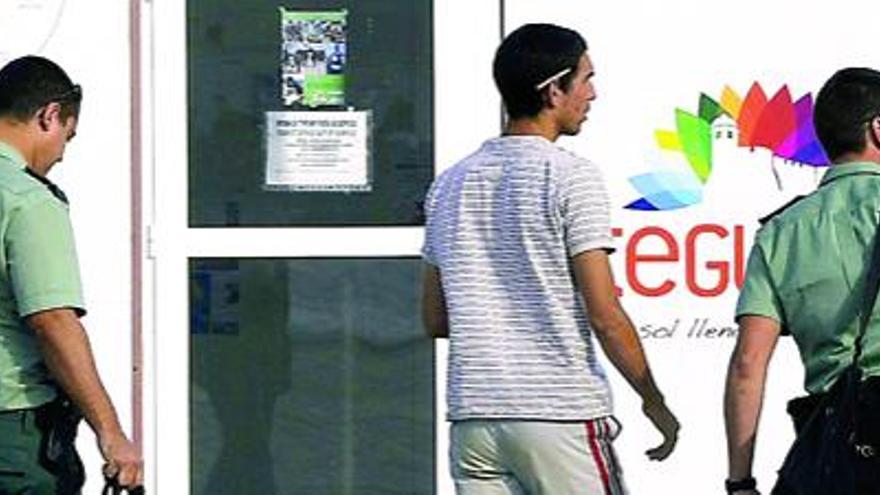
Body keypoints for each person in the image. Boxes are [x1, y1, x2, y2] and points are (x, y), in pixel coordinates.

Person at [421, 23, 680, 494]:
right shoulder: (570, 177)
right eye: (585, 78)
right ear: (553, 90)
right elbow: (605, 315)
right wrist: (652, 399)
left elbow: (436, 318)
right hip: (558, 414)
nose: (593, 93)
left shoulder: (448, 185)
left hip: (473, 417)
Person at [724, 67, 880, 495]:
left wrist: (740, 483)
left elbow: (747, 366)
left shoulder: (779, 232)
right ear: (878, 129)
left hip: (835, 453)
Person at [0, 56, 142, 493]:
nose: (62, 155)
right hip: (15, 435)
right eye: (68, 136)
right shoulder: (27, 200)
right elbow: (52, 321)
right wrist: (112, 433)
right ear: (49, 116)